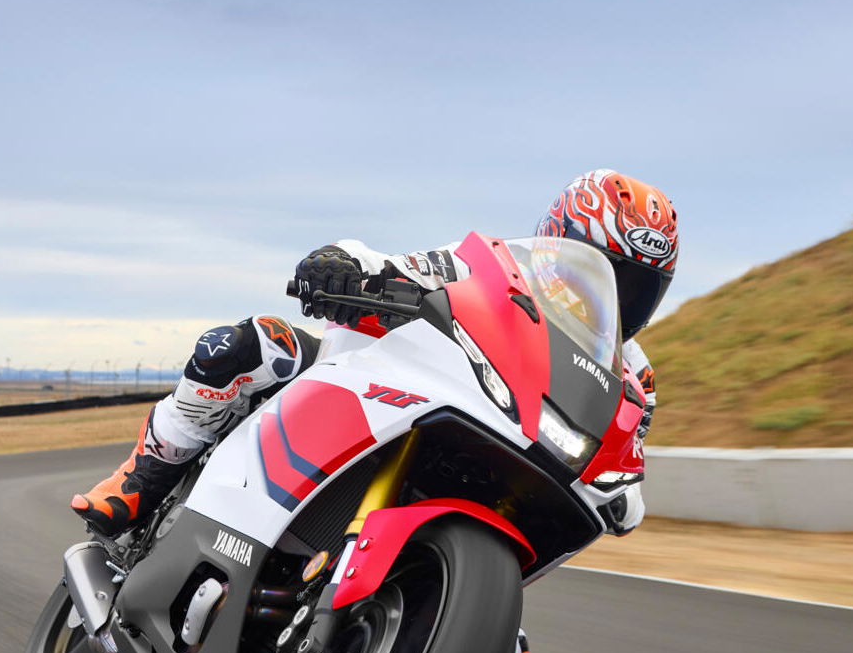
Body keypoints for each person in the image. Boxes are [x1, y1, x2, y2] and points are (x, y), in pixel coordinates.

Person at [70, 169, 678, 541]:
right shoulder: (494, 270)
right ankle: (148, 474)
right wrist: (343, 264)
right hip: (381, 380)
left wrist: (623, 493)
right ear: (553, 243)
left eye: (636, 287)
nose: (615, 296)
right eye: (603, 272)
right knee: (246, 345)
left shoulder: (634, 375)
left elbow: (628, 451)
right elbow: (397, 265)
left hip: (499, 447)